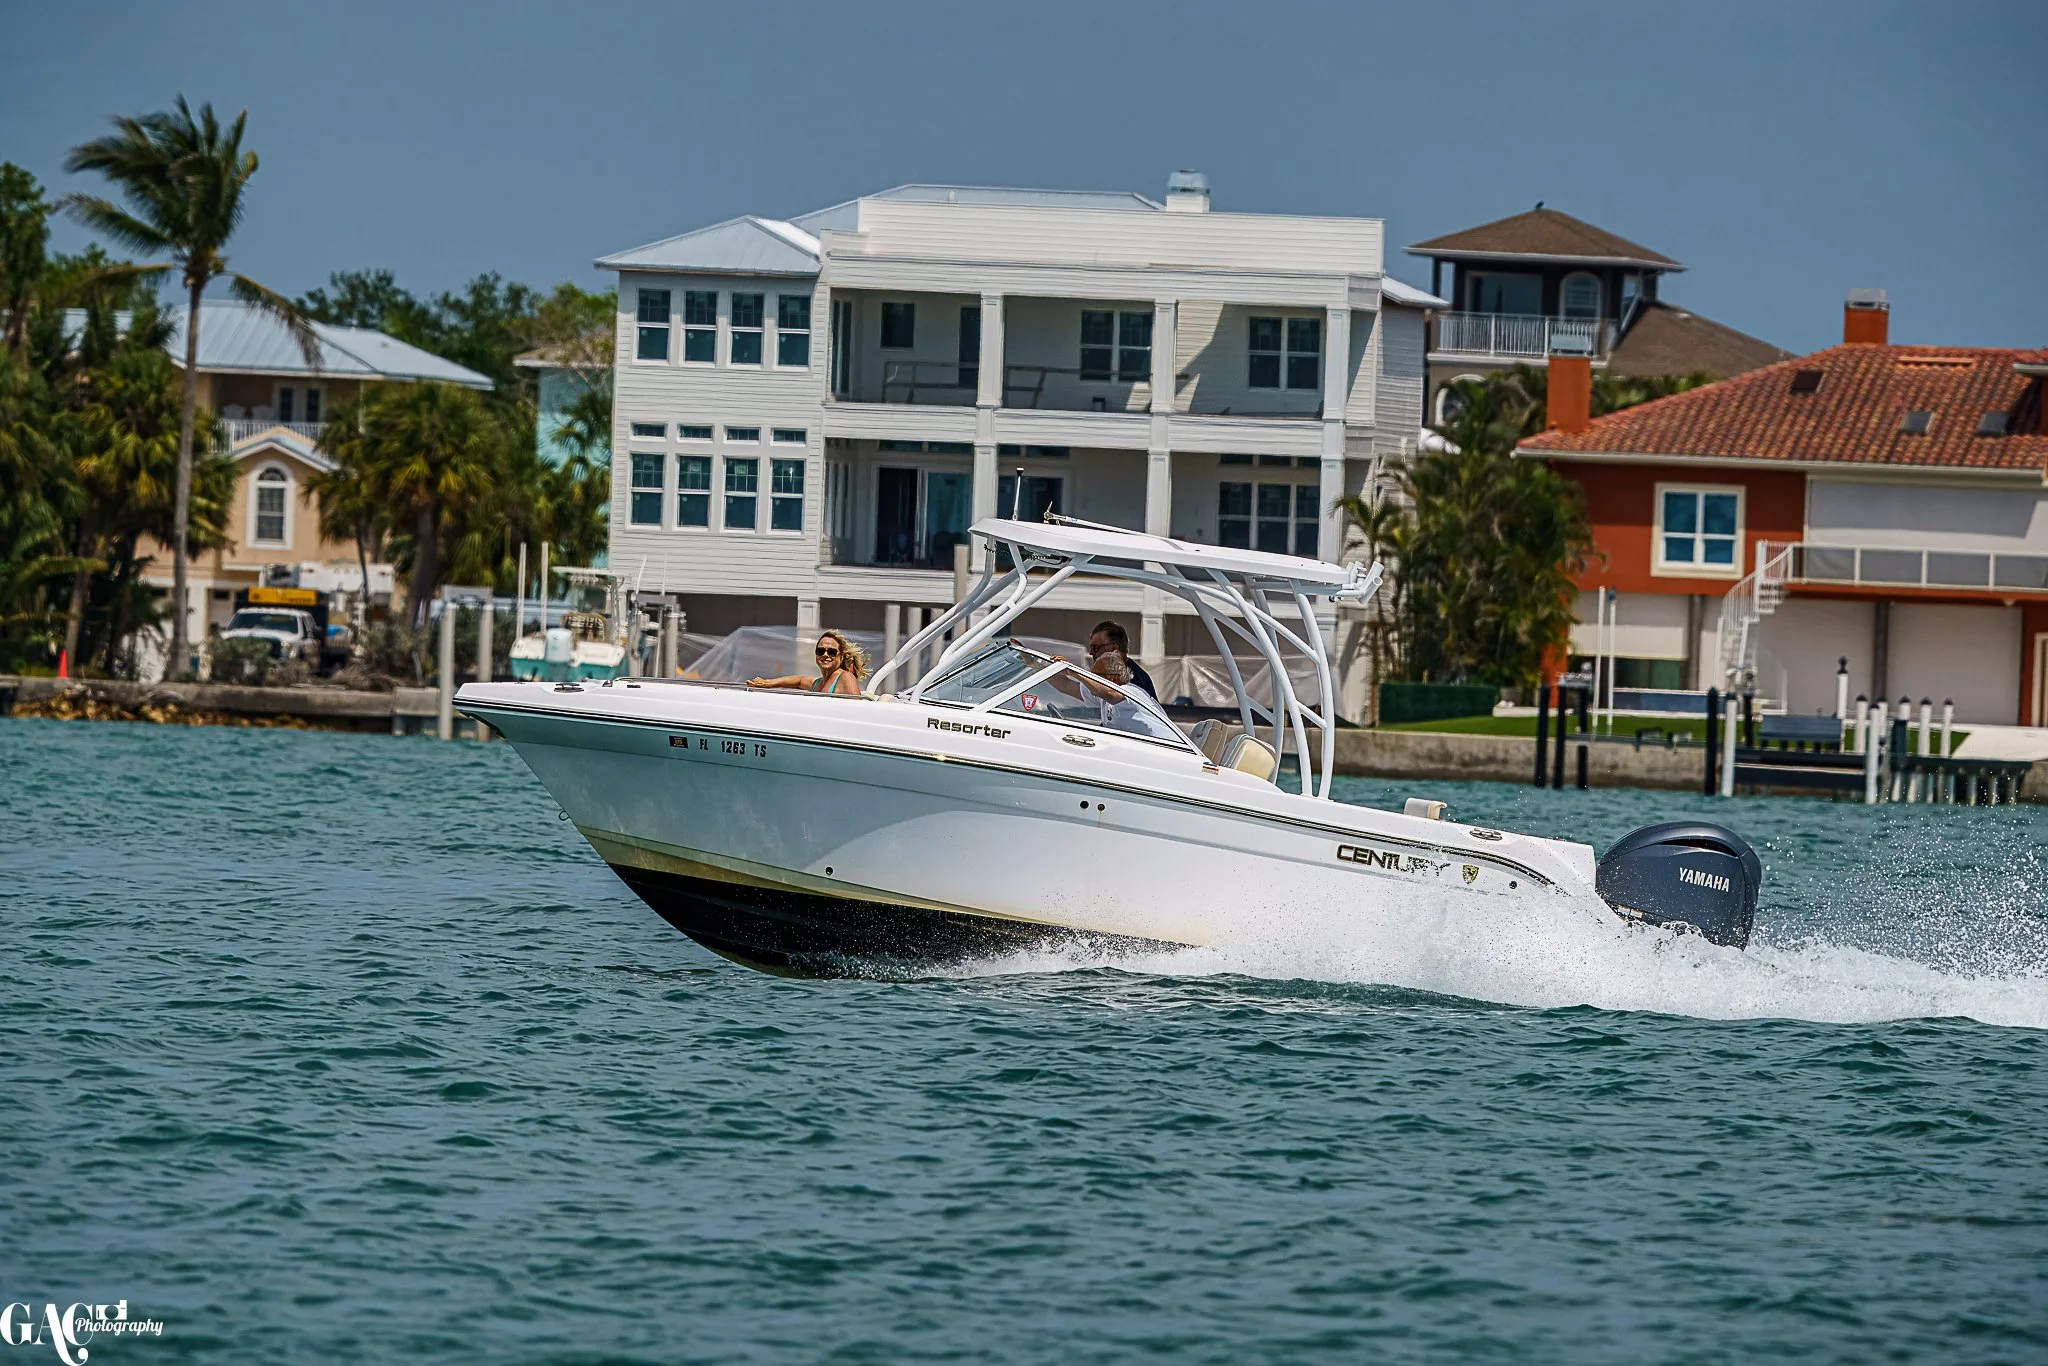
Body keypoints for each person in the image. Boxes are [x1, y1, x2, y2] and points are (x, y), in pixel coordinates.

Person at [749, 629, 865, 695]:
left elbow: (858, 710)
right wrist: (767, 683)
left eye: (832, 652)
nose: (825, 655)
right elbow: (799, 680)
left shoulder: (845, 677)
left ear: (842, 656)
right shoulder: (817, 683)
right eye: (820, 651)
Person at [1090, 620, 1156, 699]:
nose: (1091, 652)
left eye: (1095, 647)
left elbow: (1112, 696)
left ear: (1114, 648)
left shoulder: (1134, 681)